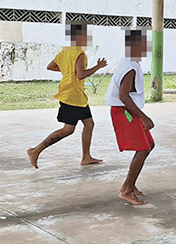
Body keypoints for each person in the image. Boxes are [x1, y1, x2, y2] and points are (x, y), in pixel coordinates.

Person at [27, 22, 107, 169]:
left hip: (76, 95)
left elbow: (50, 66)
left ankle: (86, 157)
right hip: (73, 95)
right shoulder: (79, 54)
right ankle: (35, 150)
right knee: (68, 129)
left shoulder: (64, 52)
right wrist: (98, 67)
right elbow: (81, 75)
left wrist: (67, 72)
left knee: (89, 124)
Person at [105, 28, 155, 205]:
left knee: (149, 144)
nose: (146, 47)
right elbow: (123, 96)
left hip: (127, 110)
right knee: (143, 148)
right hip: (124, 111)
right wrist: (144, 117)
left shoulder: (130, 62)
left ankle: (128, 185)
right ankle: (126, 190)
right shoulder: (130, 67)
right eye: (143, 44)